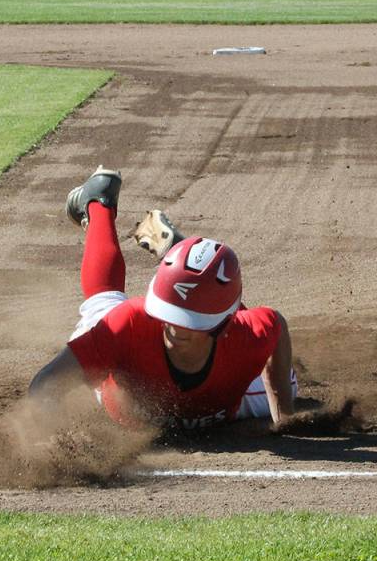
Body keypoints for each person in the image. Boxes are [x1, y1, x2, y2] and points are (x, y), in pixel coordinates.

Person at [29, 167, 296, 433]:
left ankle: (183, 263)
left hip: (224, 390)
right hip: (122, 380)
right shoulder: (128, 324)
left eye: (189, 321)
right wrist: (52, 445)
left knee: (291, 385)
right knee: (103, 301)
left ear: (223, 326)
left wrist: (283, 414)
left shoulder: (247, 335)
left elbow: (276, 325)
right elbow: (46, 385)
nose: (174, 328)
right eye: (169, 313)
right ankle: (99, 199)